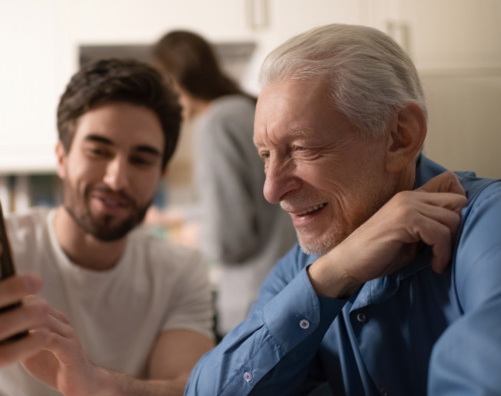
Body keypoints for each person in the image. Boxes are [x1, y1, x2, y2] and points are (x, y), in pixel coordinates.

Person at [185, 23, 501, 395]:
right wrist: (336, 271)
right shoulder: (305, 270)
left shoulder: (487, 223)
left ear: (401, 137)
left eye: (302, 149)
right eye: (266, 156)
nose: (271, 189)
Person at [0, 58, 215, 396]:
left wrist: (95, 383)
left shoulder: (180, 271)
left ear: (161, 173)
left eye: (141, 159)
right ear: (61, 157)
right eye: (98, 151)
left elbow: (189, 388)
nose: (117, 178)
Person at [152, 30, 296, 336]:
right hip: (288, 289)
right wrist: (178, 216)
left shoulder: (215, 124)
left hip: (255, 304)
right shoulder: (245, 110)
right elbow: (250, 203)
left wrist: (188, 235)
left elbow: (229, 241)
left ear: (175, 83)